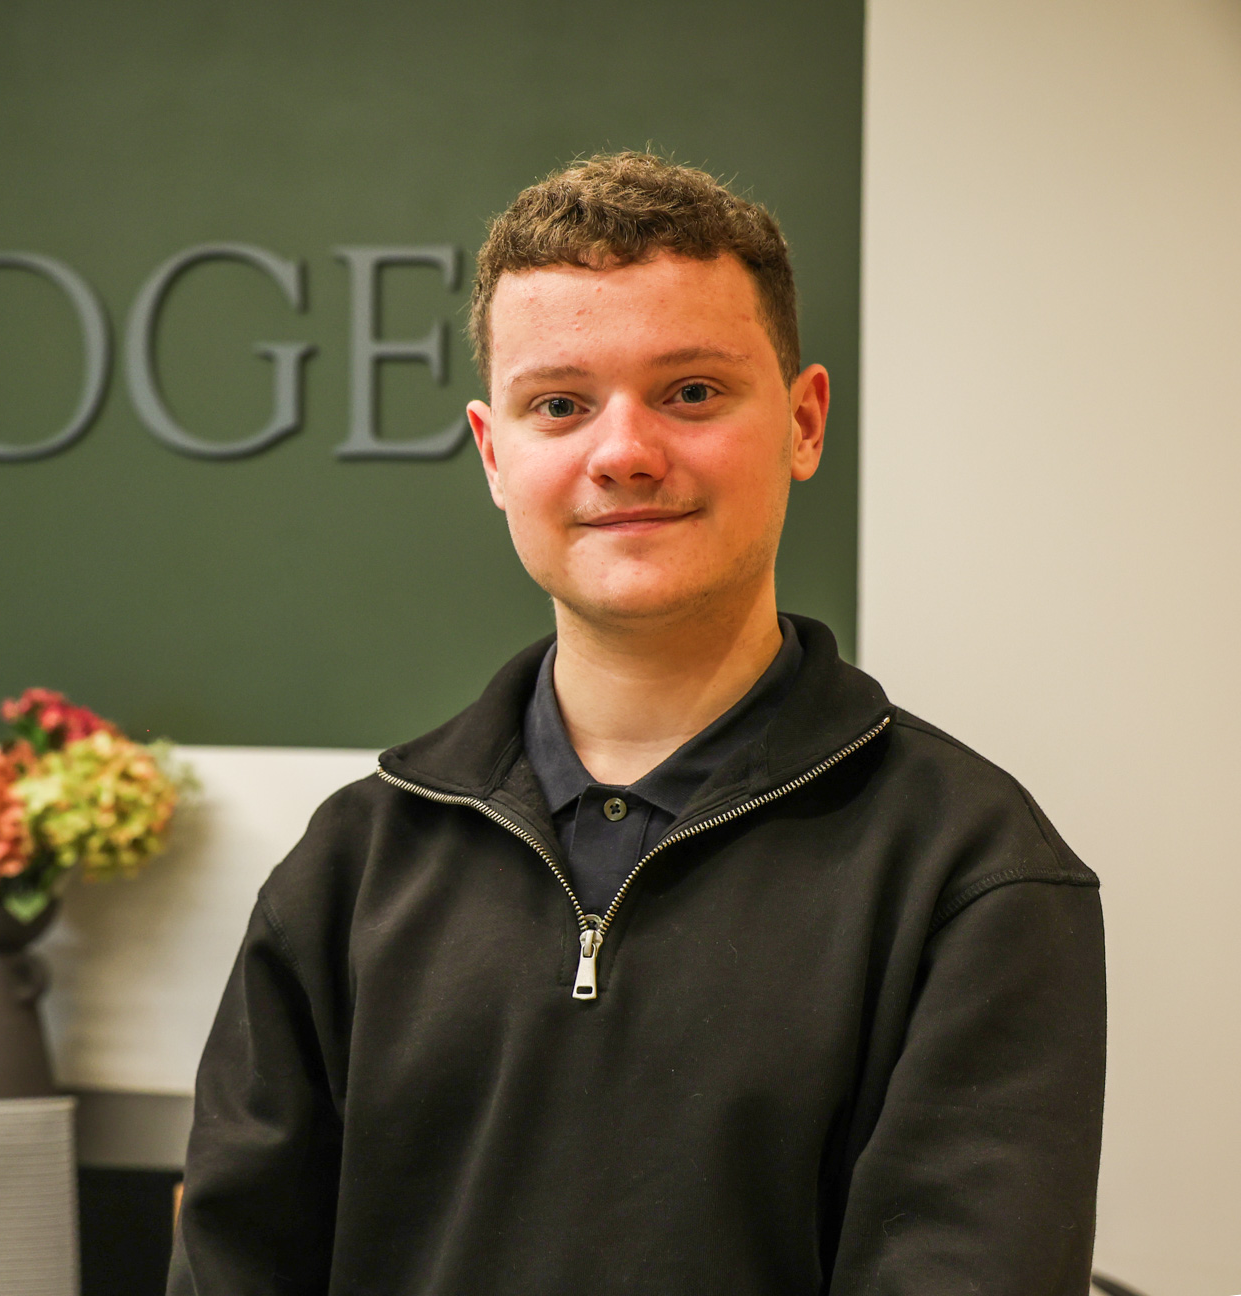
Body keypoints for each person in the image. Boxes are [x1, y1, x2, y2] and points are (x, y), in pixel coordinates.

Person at [167, 153, 1105, 1296]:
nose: (621, 453)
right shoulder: (348, 873)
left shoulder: (973, 874)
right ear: (493, 455)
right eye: (559, 405)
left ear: (803, 422)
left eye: (690, 392)